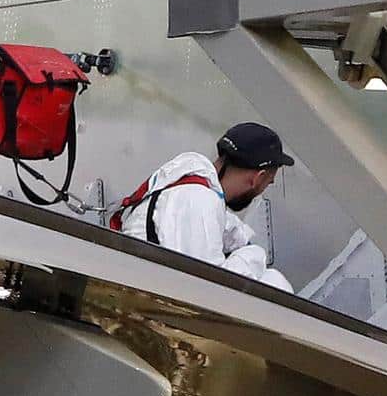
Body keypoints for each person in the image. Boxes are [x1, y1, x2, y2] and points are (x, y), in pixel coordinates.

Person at [109, 122, 296, 291]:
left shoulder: (191, 184)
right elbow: (208, 290)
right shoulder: (198, 200)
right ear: (259, 177)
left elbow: (226, 226)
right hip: (146, 300)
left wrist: (244, 243)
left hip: (140, 287)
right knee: (273, 282)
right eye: (268, 182)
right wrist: (253, 256)